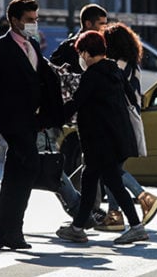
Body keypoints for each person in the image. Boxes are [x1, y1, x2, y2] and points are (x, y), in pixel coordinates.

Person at [0, 0, 64, 250]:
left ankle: (4, 233)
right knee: (28, 167)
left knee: (16, 173)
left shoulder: (33, 45)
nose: (33, 24)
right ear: (13, 20)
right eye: (29, 20)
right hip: (11, 120)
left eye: (35, 20)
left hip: (31, 119)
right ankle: (12, 230)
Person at [55, 30, 148, 245]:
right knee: (89, 180)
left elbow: (75, 103)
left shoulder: (93, 75)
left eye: (81, 53)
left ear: (86, 53)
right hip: (114, 137)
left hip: (101, 140)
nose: (81, 58)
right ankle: (77, 227)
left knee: (113, 182)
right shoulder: (114, 70)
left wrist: (49, 118)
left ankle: (136, 227)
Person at [94, 22, 157, 231]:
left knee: (111, 169)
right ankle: (114, 216)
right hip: (127, 121)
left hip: (116, 121)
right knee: (113, 169)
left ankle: (144, 196)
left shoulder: (115, 66)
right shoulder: (133, 64)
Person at [50, 3, 108, 74]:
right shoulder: (68, 49)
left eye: (105, 24)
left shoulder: (105, 45)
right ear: (88, 24)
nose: (105, 28)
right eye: (101, 24)